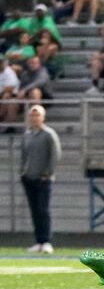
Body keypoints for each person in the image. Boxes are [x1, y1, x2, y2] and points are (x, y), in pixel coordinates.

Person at [20, 105, 61, 254]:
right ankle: (38, 241)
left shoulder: (49, 134)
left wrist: (48, 173)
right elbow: (24, 155)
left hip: (43, 179)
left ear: (43, 117)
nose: (34, 118)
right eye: (32, 115)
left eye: (37, 115)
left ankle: (46, 241)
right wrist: (22, 171)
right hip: (29, 177)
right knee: (34, 210)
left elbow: (55, 154)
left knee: (43, 210)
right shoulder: (27, 135)